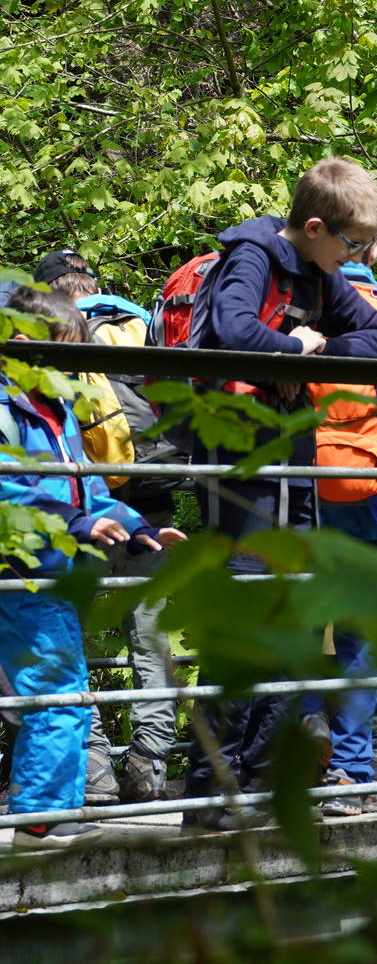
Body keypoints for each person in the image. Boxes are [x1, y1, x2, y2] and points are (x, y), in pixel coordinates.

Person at [181, 155, 377, 830]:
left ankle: (259, 779)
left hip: (292, 461)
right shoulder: (253, 255)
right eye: (353, 245)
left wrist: (310, 350)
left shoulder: (321, 273)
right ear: (315, 227)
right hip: (241, 457)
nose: (358, 258)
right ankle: (210, 789)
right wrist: (291, 345)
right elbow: (232, 330)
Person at [0, 288, 185, 849]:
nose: (71, 371)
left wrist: (138, 527)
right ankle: (40, 818)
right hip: (21, 573)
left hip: (54, 572)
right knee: (56, 692)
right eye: (61, 356)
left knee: (66, 691)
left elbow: (90, 488)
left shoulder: (56, 413)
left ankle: (52, 811)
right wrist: (78, 523)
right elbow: (9, 490)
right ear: (21, 345)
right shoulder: (8, 410)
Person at [35, 248, 176, 805]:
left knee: (68, 633)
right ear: (92, 281)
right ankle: (151, 764)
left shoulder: (54, 339)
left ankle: (92, 766)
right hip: (152, 502)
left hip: (84, 510)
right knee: (151, 634)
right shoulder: (139, 321)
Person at [301, 237, 377, 812]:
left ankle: (303, 733)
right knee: (356, 637)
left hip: (301, 492)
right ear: (373, 247)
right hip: (374, 494)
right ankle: (353, 770)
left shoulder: (294, 305)